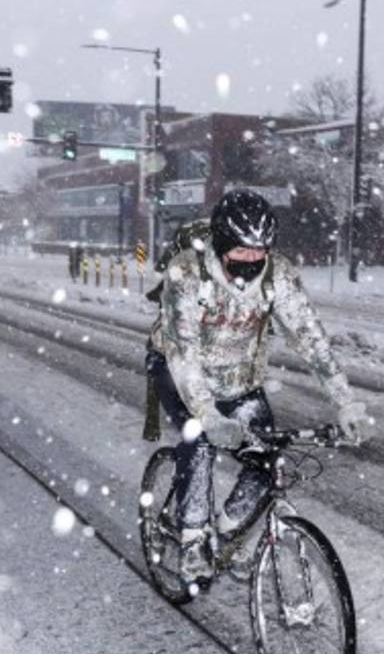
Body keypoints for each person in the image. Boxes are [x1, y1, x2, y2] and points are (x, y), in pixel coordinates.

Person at [146, 189, 367, 582]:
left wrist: (345, 401)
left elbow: (310, 337)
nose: (251, 262)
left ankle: (228, 529)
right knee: (197, 442)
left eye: (259, 252)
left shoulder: (277, 274)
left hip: (240, 378)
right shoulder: (186, 272)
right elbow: (184, 353)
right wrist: (207, 413)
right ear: (222, 244)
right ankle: (193, 538)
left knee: (268, 456)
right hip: (178, 370)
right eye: (241, 253)